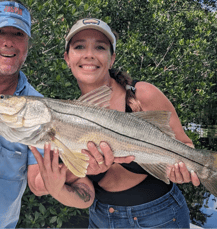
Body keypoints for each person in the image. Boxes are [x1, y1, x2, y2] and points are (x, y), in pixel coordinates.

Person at [0, 0, 94, 229]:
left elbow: (37, 182)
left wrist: (58, 177)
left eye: (18, 35)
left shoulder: (40, 108)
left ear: (27, 44)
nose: (9, 42)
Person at [61, 18, 200, 228]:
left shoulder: (142, 94)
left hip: (160, 217)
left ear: (112, 58)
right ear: (67, 58)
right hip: (100, 217)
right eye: (79, 46)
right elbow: (75, 182)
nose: (89, 54)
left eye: (100, 47)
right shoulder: (67, 115)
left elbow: (186, 145)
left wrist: (183, 172)